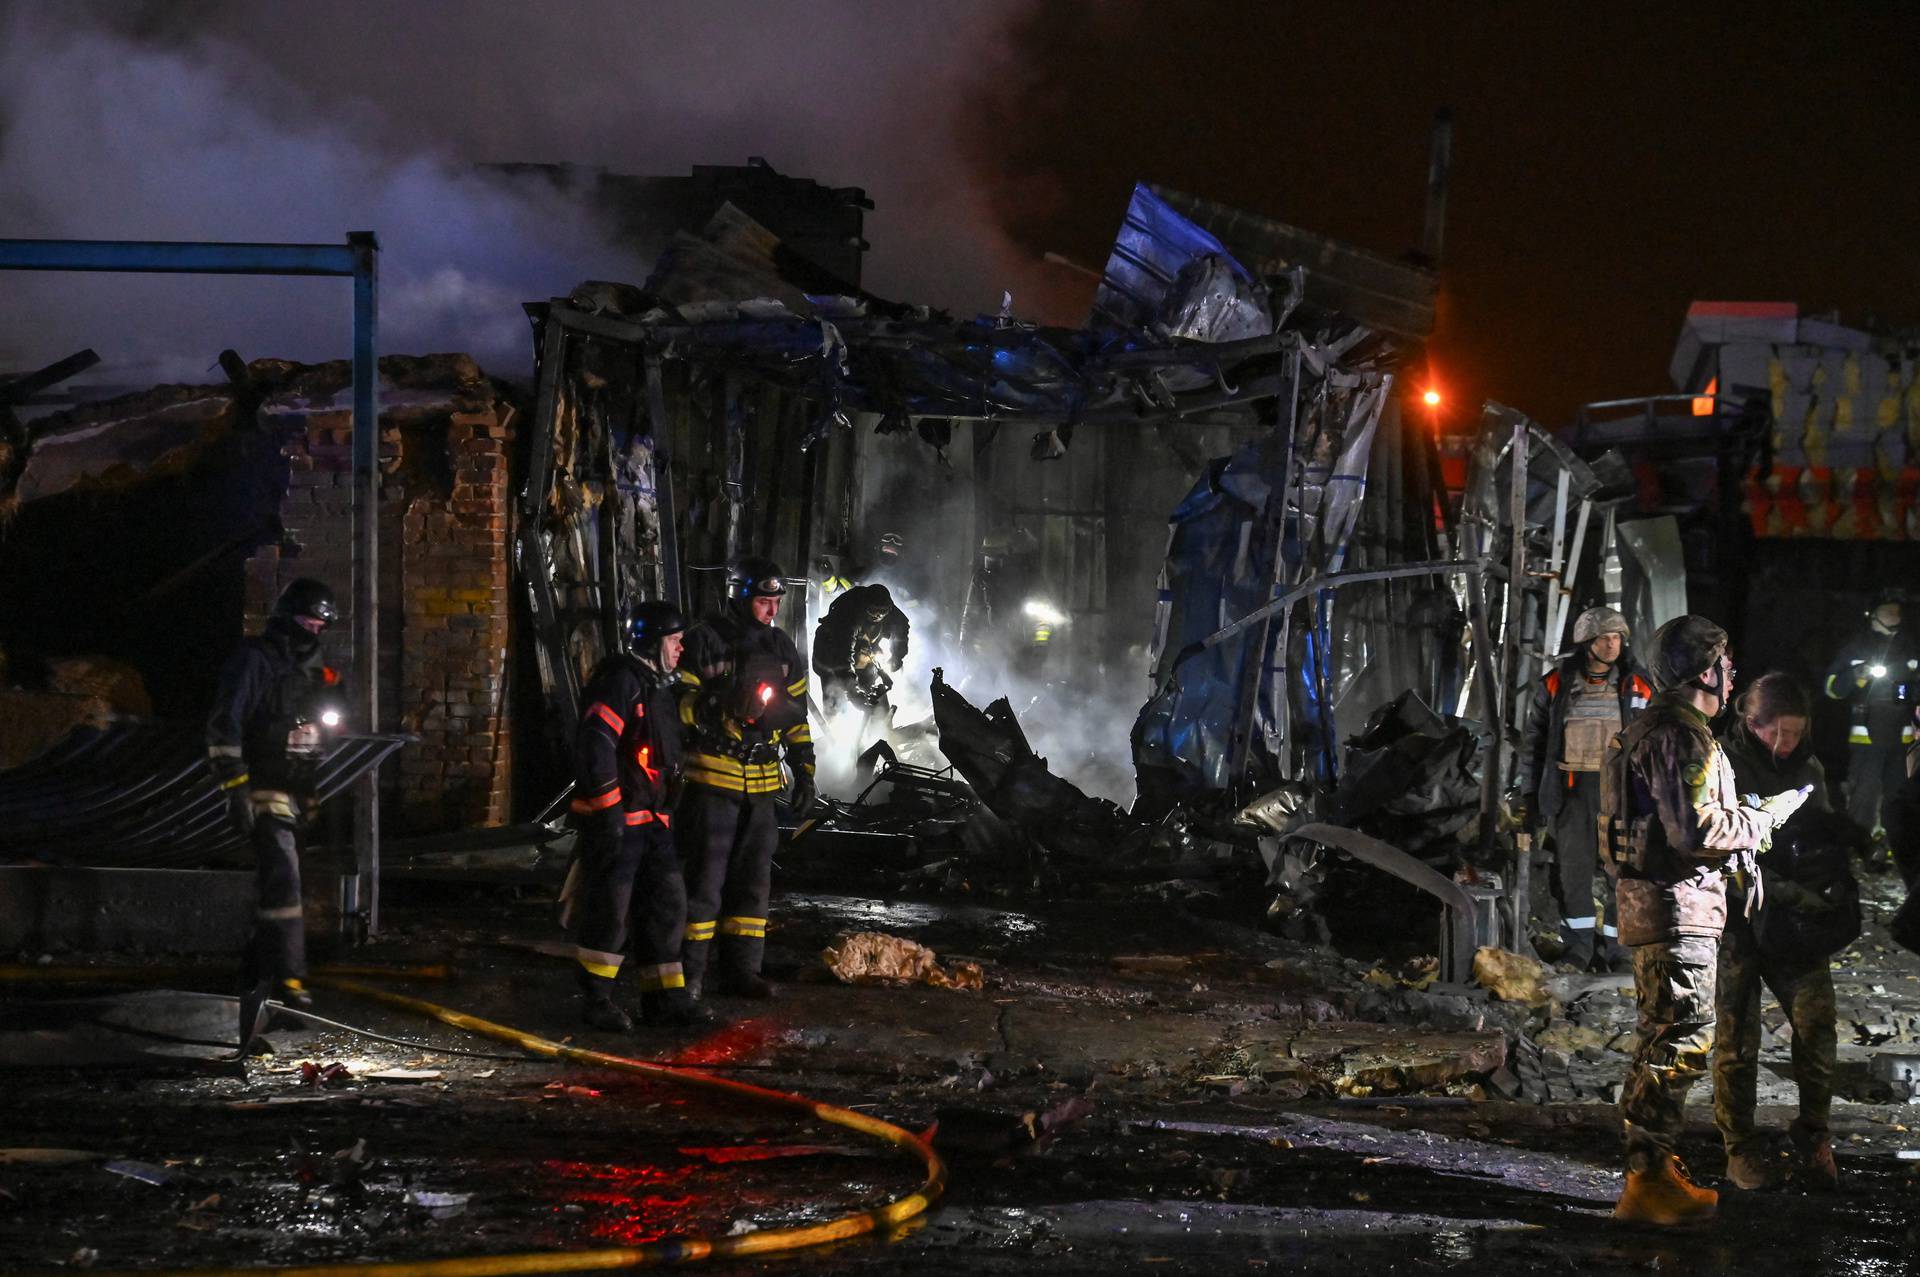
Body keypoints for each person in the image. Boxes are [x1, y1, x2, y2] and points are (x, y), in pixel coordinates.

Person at [1602, 615, 1811, 1225]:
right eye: (1726, 664)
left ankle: (1654, 1172)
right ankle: (1646, 1184)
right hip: (1678, 910)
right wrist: (1763, 819)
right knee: (1680, 1043)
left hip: (1662, 906)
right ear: (1706, 671)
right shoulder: (1681, 736)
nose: (1731, 675)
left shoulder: (1654, 730)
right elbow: (1697, 831)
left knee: (1663, 1040)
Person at [1712, 673, 1842, 1191]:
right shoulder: (1719, 760)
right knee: (1736, 1043)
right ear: (1751, 720)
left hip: (1793, 924)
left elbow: (1824, 836)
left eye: (1794, 733)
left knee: (1817, 1027)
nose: (1784, 744)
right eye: (1776, 733)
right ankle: (1739, 1148)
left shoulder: (1808, 767)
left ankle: (1812, 1135)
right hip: (1736, 923)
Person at [207, 577, 347, 1050]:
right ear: (287, 616)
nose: (314, 629)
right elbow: (225, 724)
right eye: (308, 620)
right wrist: (235, 789)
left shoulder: (314, 665)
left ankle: (253, 979)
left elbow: (325, 718)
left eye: (321, 623)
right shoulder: (254, 660)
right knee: (284, 881)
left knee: (280, 888)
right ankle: (290, 984)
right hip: (262, 785)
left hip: (299, 787)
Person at [560, 600, 712, 1031]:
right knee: (610, 910)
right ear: (651, 641)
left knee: (667, 907)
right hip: (620, 823)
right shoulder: (620, 681)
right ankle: (595, 1001)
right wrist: (608, 812)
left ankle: (664, 1000)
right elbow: (595, 745)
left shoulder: (659, 686)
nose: (682, 648)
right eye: (675, 640)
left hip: (654, 821)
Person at [676, 557, 817, 1000]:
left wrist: (805, 771)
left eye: (776, 601)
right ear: (740, 597)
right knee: (703, 883)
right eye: (763, 601)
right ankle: (688, 977)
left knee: (753, 884)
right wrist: (718, 707)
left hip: (760, 785)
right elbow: (674, 703)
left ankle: (741, 971)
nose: (772, 611)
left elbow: (795, 718)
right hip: (711, 780)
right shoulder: (704, 641)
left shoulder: (782, 649)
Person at [1515, 606, 1653, 969]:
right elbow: (1535, 743)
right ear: (1586, 642)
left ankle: (1618, 950)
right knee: (1572, 873)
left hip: (1621, 794)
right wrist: (1530, 796)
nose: (1612, 645)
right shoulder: (1556, 683)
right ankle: (1579, 948)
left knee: (1621, 873)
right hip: (1572, 790)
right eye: (1604, 638)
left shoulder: (1637, 684)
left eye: (1618, 638)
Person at [1824, 589, 1919, 844]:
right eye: (1886, 609)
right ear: (1873, 614)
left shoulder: (1910, 646)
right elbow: (1831, 687)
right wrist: (1855, 676)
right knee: (1864, 791)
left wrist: (1909, 689)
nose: (1892, 614)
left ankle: (1895, 842)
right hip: (1866, 735)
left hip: (1902, 736)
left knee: (1899, 793)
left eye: (1895, 609)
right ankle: (1861, 842)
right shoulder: (1857, 646)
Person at [812, 582, 910, 721]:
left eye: (882, 612)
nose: (877, 616)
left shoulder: (890, 611)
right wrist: (852, 690)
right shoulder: (847, 615)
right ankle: (834, 727)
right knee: (835, 692)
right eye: (873, 611)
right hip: (830, 650)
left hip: (862, 648)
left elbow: (901, 627)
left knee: (871, 686)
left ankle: (880, 728)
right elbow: (842, 655)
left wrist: (897, 655)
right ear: (865, 607)